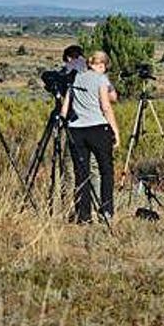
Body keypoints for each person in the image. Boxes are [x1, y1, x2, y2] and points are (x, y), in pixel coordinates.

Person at [60, 51, 120, 223]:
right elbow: (106, 106)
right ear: (101, 65)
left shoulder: (75, 77)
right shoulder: (100, 79)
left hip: (76, 130)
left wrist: (63, 122)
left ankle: (83, 215)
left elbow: (66, 107)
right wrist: (115, 130)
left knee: (81, 173)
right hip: (98, 128)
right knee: (106, 171)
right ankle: (106, 211)